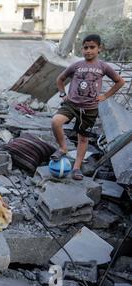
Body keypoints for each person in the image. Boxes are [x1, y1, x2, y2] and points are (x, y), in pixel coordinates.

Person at [52, 34, 125, 180]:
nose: (88, 50)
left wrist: (105, 96)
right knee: (56, 121)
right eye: (85, 48)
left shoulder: (103, 67)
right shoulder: (76, 65)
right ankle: (63, 148)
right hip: (71, 104)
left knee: (83, 138)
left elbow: (120, 81)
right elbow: (60, 79)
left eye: (92, 47)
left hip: (90, 109)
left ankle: (77, 168)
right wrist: (62, 94)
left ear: (99, 49)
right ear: (82, 49)